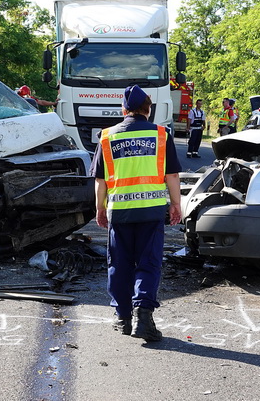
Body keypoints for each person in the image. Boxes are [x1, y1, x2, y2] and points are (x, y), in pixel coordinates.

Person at [89, 85, 182, 342]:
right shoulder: (161, 135)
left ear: (124, 110)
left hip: (119, 212)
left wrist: (100, 208)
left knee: (119, 265)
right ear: (148, 110)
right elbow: (171, 175)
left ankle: (123, 318)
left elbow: (100, 181)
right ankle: (143, 315)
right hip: (151, 212)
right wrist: (176, 204)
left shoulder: (107, 137)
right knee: (148, 263)